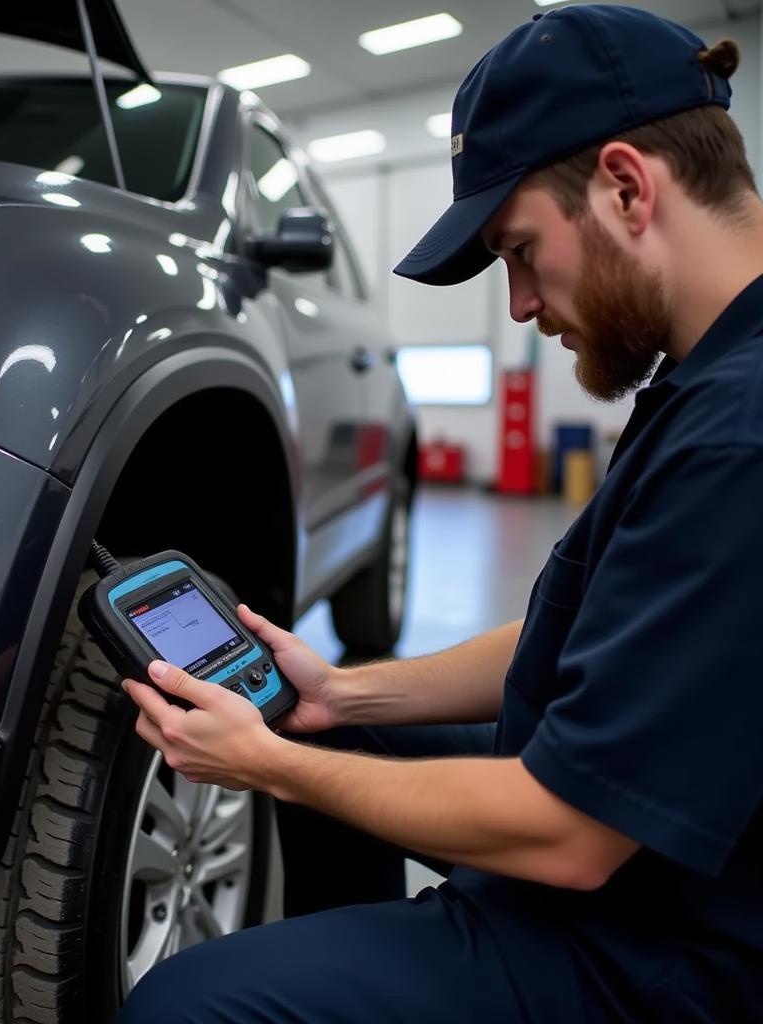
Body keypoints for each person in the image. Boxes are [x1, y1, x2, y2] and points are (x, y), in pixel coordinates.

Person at [116, 5, 763, 1021]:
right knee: (322, 739)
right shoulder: (707, 380)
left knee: (183, 1004)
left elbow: (571, 834)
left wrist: (267, 762)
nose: (516, 305)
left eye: (517, 251)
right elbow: (606, 625)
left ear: (628, 187)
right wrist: (344, 696)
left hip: (662, 951)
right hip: (638, 869)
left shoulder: (736, 435)